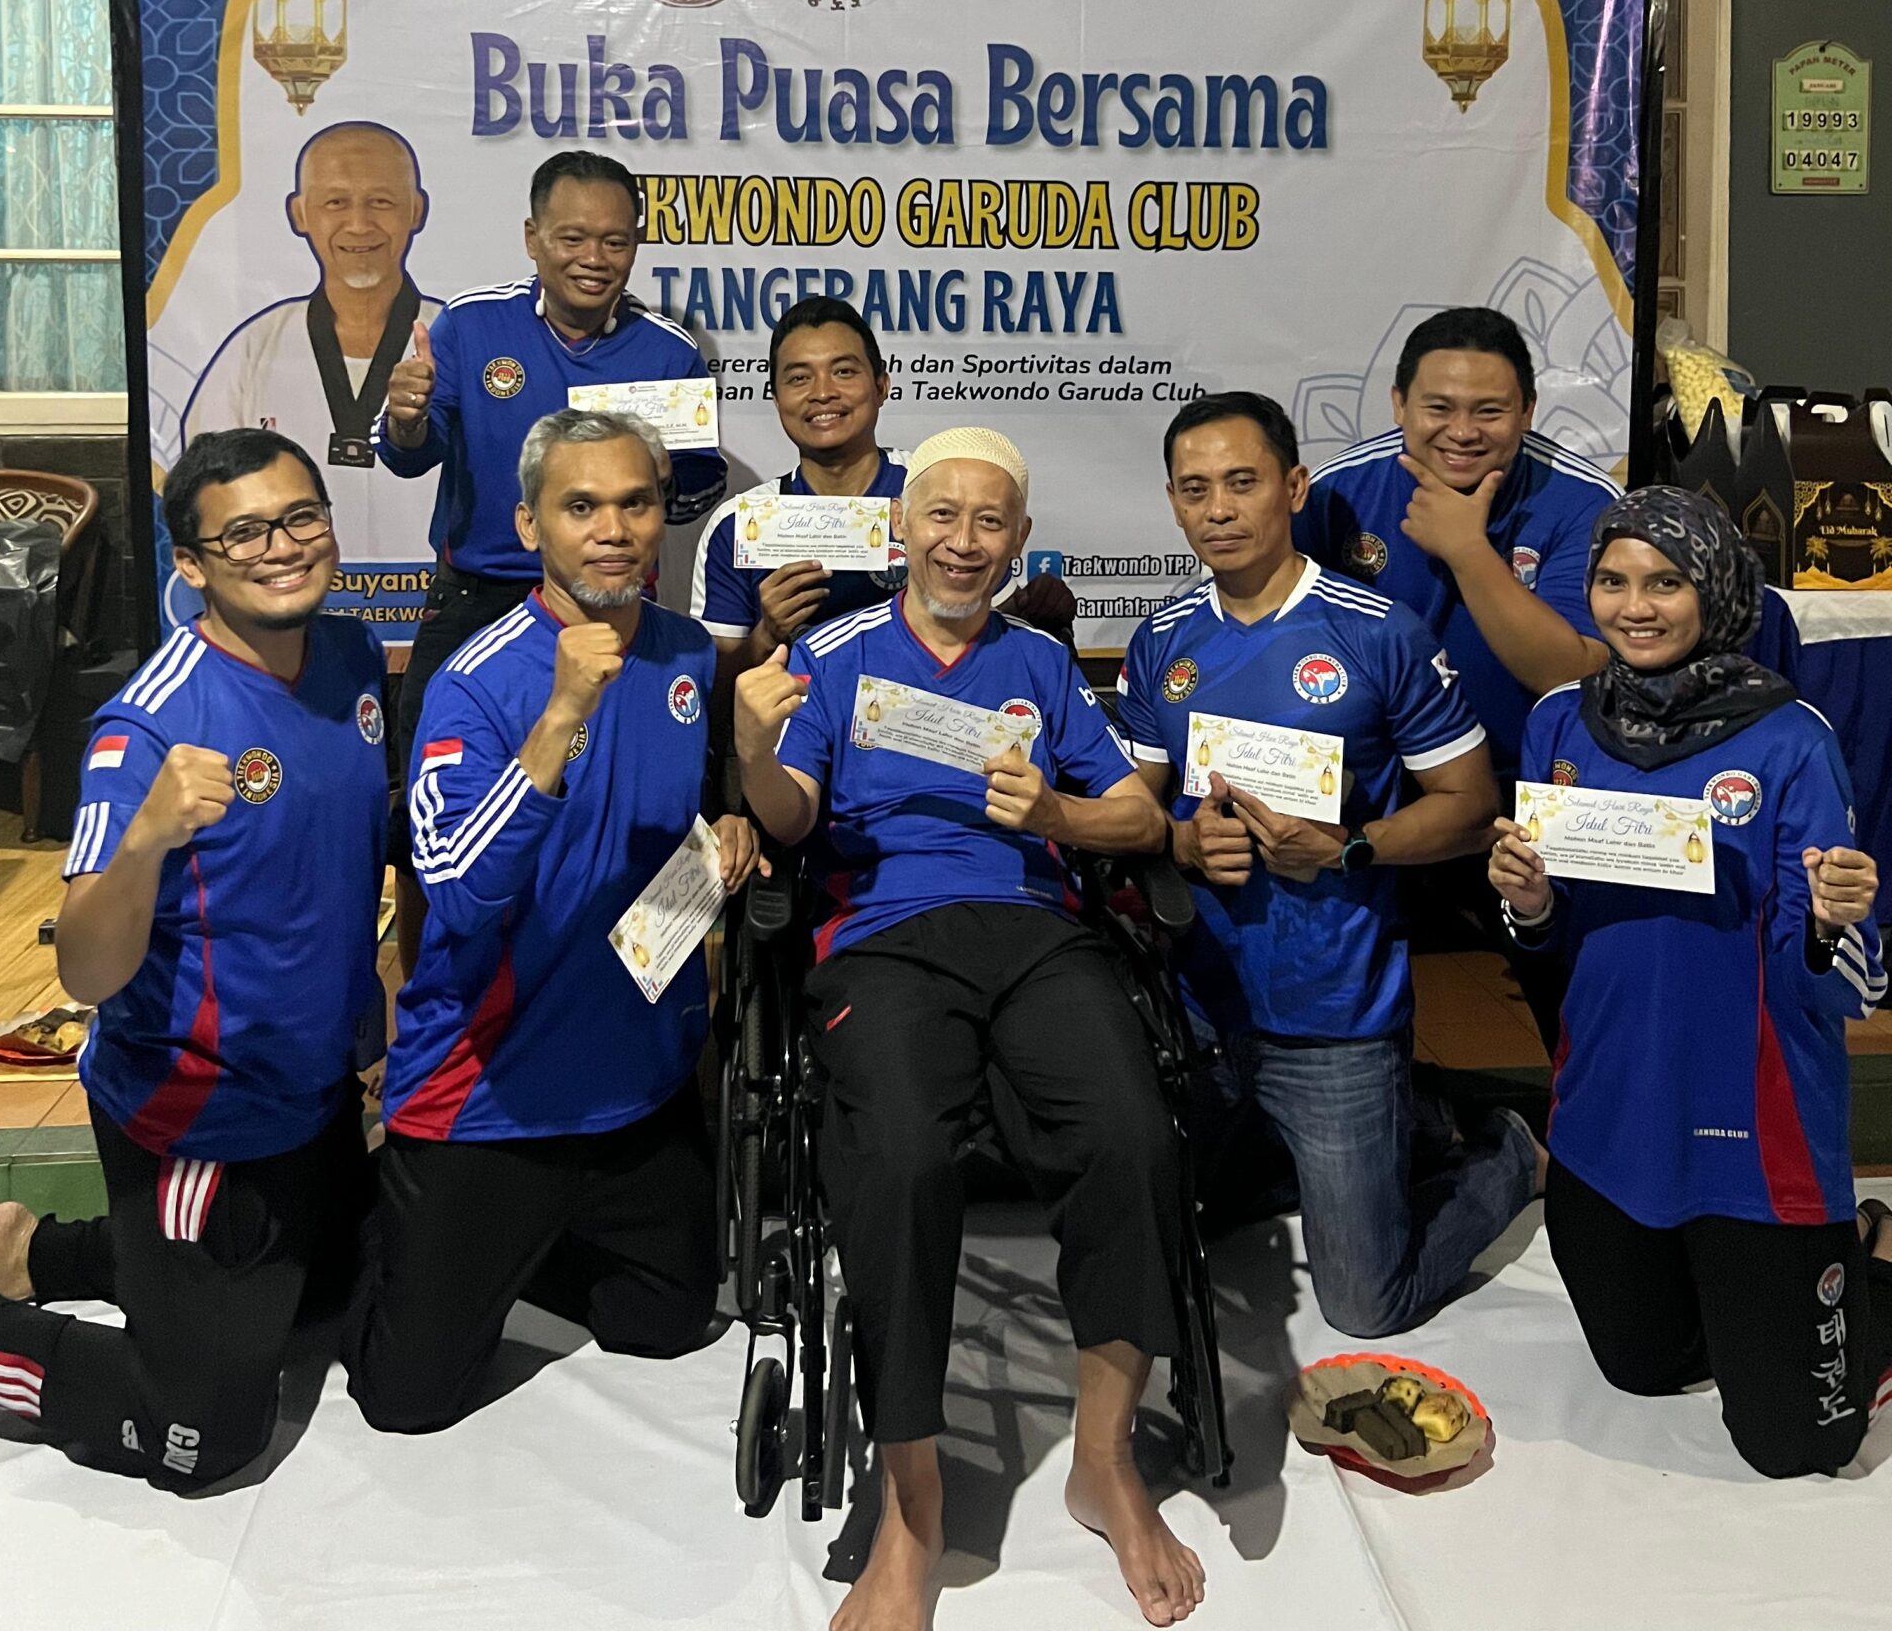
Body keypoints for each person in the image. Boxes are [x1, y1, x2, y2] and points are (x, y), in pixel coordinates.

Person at [735, 427, 1204, 1631]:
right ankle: (915, 1505)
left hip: (1034, 930)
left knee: (1132, 1135)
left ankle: (1105, 1460)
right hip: (882, 936)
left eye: (989, 521)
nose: (962, 539)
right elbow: (788, 818)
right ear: (902, 528)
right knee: (898, 1157)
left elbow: (1138, 818)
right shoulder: (833, 655)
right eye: (941, 514)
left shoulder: (1040, 662)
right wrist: (750, 746)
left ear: (1019, 541)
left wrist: (1055, 812)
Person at [0, 430, 386, 1490]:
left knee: (336, 1310)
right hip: (198, 1117)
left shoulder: (348, 658)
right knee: (199, 1438)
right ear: (192, 565)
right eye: (243, 532)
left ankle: (49, 1250)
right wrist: (147, 838)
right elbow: (85, 973)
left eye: (299, 516)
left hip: (315, 1099)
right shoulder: (145, 730)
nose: (281, 546)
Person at [349, 408, 757, 1434]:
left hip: (634, 1090)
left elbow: (671, 817)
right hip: (492, 1091)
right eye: (582, 507)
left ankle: (515, 1247)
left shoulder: (683, 654)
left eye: (635, 502)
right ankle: (351, 1233)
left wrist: (725, 833)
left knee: (665, 1324)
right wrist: (563, 711)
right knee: (409, 1403)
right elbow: (459, 887)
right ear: (531, 525)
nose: (613, 528)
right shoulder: (475, 682)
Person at [1491, 484, 1892, 1479]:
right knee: (1640, 1368)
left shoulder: (1790, 738)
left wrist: (1833, 921)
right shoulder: (1558, 724)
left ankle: (1872, 1261)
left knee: (1798, 1446)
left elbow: (1840, 985)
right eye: (1613, 581)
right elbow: (1550, 936)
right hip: (1610, 1107)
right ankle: (1753, 1297)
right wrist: (1528, 900)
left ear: (1715, 592)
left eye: (1666, 582)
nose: (1635, 607)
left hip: (1752, 1122)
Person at [1119, 392, 1538, 1339]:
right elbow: (1139, 805)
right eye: (1195, 490)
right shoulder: (1161, 640)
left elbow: (1472, 807)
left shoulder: (1377, 631)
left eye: (1242, 482)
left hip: (1335, 1015)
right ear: (1174, 504)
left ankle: (1506, 1151)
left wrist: (1349, 846)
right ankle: (1389, 1131)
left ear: (1295, 487)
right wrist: (1181, 841)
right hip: (1201, 1015)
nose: (1219, 509)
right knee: (1167, 1236)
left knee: (1364, 1305)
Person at [375, 148, 727, 971]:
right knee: (429, 828)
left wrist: (667, 479)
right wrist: (405, 417)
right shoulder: (471, 326)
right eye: (572, 238)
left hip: (611, 608)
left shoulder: (669, 351)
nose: (593, 259)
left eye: (615, 241)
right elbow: (408, 455)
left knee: (616, 804)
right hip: (477, 600)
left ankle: (613, 988)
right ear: (533, 238)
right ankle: (435, 999)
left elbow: (697, 489)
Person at [1298, 307, 1614, 1036]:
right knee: (1338, 996)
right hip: (1371, 792)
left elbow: (1570, 674)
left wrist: (1468, 550)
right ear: (1399, 404)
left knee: (1578, 1007)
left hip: (1529, 797)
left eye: (1490, 411)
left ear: (1528, 410)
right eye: (1438, 408)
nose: (1462, 432)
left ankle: (1585, 1102)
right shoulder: (1338, 493)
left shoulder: (1582, 502)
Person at [177, 121, 442, 575]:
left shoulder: (456, 338)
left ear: (416, 210)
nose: (359, 225)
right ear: (299, 213)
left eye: (381, 201)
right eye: (335, 202)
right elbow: (206, 490)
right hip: (287, 591)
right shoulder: (257, 346)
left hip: (433, 599)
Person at [690, 293, 904, 692]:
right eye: (799, 378)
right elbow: (712, 698)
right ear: (776, 399)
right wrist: (766, 635)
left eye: (843, 371)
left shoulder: (933, 493)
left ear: (881, 385)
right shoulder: (738, 526)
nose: (822, 393)